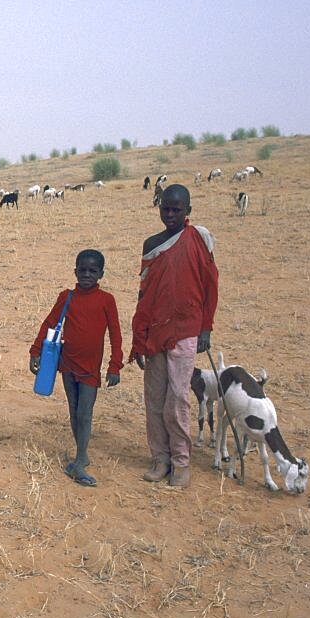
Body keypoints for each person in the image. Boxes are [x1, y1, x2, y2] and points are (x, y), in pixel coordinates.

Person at [130, 184, 219, 488]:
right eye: (165, 208)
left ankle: (181, 461)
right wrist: (138, 338)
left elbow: (210, 286)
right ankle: (160, 459)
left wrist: (205, 327)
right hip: (155, 331)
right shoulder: (151, 244)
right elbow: (145, 295)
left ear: (187, 212)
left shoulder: (198, 241)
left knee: (178, 398)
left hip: (185, 329)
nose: (169, 214)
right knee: (154, 399)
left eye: (176, 209)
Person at [30, 249, 123, 487]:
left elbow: (115, 334)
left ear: (101, 273)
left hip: (91, 368)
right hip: (68, 364)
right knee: (74, 410)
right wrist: (35, 351)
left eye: (93, 271)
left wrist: (115, 365)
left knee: (85, 412)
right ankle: (81, 453)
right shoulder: (66, 297)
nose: (87, 275)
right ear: (75, 271)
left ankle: (80, 459)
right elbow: (49, 323)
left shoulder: (107, 300)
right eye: (82, 270)